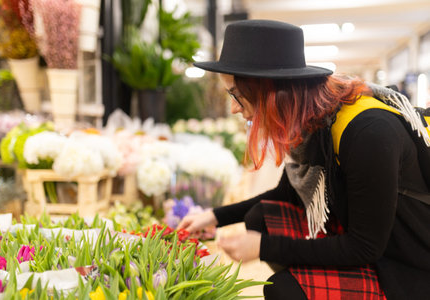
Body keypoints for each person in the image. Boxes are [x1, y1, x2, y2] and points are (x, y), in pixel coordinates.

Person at [177, 19, 430, 300]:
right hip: (377, 243)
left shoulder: (368, 133)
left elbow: (365, 247)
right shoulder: (315, 122)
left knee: (284, 290)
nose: (235, 108)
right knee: (261, 217)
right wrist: (213, 217)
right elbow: (286, 194)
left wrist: (263, 247)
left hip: (410, 265)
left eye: (237, 95)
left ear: (270, 90)